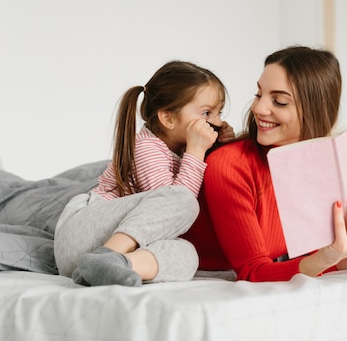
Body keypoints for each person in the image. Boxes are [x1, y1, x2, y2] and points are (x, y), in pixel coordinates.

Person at [183, 46, 347, 282]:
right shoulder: (229, 164)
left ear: (314, 110)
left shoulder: (323, 167)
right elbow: (253, 271)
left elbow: (324, 265)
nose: (259, 108)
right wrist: (328, 255)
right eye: (258, 94)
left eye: (279, 101)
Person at [54, 60, 234, 286]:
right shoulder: (147, 148)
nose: (217, 121)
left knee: (188, 254)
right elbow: (176, 202)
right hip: (81, 236)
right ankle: (105, 256)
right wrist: (197, 150)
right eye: (207, 113)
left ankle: (120, 265)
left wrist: (218, 147)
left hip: (95, 255)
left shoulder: (181, 150)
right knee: (181, 199)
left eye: (219, 112)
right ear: (167, 118)